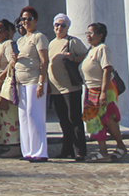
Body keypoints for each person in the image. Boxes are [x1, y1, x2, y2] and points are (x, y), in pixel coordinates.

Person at [81, 23, 127, 162]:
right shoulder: (91, 50)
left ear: (100, 35)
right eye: (87, 33)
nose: (88, 36)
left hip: (103, 89)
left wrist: (103, 93)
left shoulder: (103, 49)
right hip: (91, 89)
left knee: (107, 118)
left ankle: (120, 146)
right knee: (95, 121)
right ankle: (103, 152)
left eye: (91, 33)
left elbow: (107, 70)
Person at [48, 13, 88, 161]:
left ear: (67, 27)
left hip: (70, 88)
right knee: (63, 121)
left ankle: (80, 150)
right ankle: (67, 149)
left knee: (75, 120)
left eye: (62, 25)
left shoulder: (73, 41)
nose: (59, 28)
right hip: (55, 89)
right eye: (57, 25)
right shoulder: (52, 43)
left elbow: (85, 55)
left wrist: (73, 58)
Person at [14, 6, 49, 162]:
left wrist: (41, 82)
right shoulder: (20, 40)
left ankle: (40, 151)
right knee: (23, 116)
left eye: (28, 19)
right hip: (21, 82)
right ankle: (27, 150)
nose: (25, 22)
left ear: (35, 20)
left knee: (33, 114)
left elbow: (44, 60)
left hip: (34, 79)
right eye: (23, 19)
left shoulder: (39, 37)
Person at [0, 19, 21, 158]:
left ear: (7, 32)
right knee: (2, 115)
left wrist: (0, 78)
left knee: (9, 114)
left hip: (6, 85)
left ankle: (14, 144)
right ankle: (6, 143)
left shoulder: (8, 44)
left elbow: (12, 62)